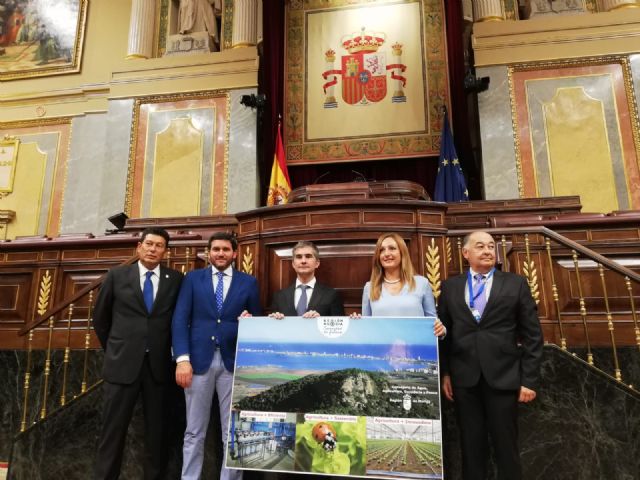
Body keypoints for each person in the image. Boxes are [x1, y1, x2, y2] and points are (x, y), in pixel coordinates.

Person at [438, 231, 543, 480]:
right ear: (466, 253)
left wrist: (529, 380)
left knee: (507, 449)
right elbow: (445, 334)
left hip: (504, 378)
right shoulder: (450, 287)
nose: (487, 251)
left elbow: (533, 336)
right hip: (465, 380)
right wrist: (446, 373)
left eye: (491, 246)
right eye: (480, 246)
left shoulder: (515, 283)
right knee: (471, 448)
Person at [93, 227, 183, 480]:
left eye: (159, 246)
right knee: (112, 432)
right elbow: (101, 319)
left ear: (165, 251)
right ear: (139, 247)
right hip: (122, 365)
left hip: (159, 367)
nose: (153, 249)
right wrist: (116, 348)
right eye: (149, 244)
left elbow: (178, 320)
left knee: (157, 433)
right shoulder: (117, 276)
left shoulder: (175, 279)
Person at [172, 231, 261, 480]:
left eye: (225, 249)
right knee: (193, 431)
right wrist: (182, 359)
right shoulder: (192, 279)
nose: (220, 253)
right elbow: (180, 320)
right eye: (216, 249)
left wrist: (250, 321)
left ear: (234, 253)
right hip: (198, 363)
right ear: (208, 253)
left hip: (234, 363)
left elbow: (256, 319)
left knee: (233, 432)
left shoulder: (248, 282)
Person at [270, 241, 344, 318]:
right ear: (293, 264)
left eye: (308, 256)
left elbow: (340, 326)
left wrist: (320, 320)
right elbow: (272, 327)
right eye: (299, 257)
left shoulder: (331, 295)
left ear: (317, 263)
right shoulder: (279, 296)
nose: (303, 261)